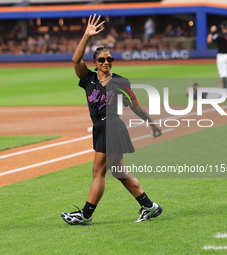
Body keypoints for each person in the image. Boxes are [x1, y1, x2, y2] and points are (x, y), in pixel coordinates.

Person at [61, 14, 163, 226]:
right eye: (102, 60)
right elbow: (75, 60)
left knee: (98, 171)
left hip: (112, 126)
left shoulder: (120, 82)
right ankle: (149, 206)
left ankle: (86, 215)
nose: (106, 62)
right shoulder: (88, 79)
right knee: (117, 170)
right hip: (100, 127)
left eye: (109, 59)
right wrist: (87, 35)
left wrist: (152, 123)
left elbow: (135, 106)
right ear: (95, 63)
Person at [207, 21, 227, 89]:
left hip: (221, 55)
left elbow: (209, 40)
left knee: (223, 74)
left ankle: (225, 88)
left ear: (222, 27)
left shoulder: (219, 35)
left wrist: (211, 32)